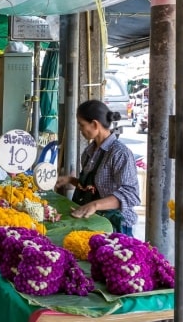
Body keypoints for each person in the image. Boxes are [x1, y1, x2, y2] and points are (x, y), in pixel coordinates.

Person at [54, 100, 140, 235]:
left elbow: (131, 195)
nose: (80, 129)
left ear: (94, 124)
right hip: (93, 221)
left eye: (82, 125)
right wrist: (70, 180)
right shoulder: (89, 152)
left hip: (116, 224)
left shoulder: (119, 153)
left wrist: (95, 205)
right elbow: (94, 187)